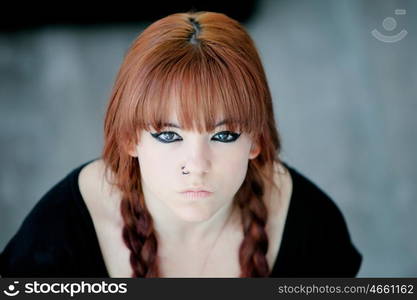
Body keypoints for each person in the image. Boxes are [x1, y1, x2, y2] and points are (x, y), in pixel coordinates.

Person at [0, 11, 362, 277]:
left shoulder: (313, 228)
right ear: (130, 139)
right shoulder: (57, 237)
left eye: (224, 135)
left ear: (257, 140)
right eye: (168, 135)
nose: (197, 164)